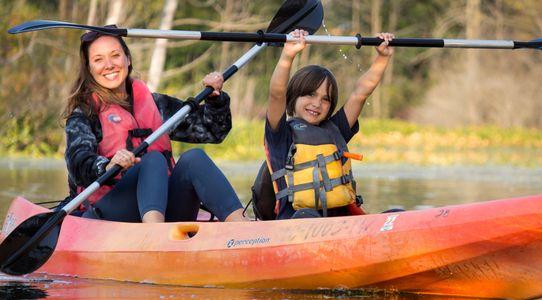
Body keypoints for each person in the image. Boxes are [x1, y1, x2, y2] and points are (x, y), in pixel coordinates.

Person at [63, 29, 246, 223]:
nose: (109, 65)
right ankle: (155, 235)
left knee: (195, 158)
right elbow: (77, 164)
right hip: (109, 215)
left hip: (165, 208)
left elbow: (212, 131)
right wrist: (106, 165)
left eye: (115, 55)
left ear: (128, 59)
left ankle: (242, 229)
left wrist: (214, 101)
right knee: (153, 160)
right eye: (98, 60)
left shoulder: (156, 105)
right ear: (89, 68)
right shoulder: (85, 113)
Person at [264, 29, 394, 219]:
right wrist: (287, 55)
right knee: (308, 216)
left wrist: (382, 58)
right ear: (294, 96)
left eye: (325, 99)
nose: (317, 104)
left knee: (394, 215)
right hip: (297, 221)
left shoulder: (336, 129)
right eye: (310, 94)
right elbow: (277, 93)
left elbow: (361, 93)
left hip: (341, 223)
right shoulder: (280, 134)